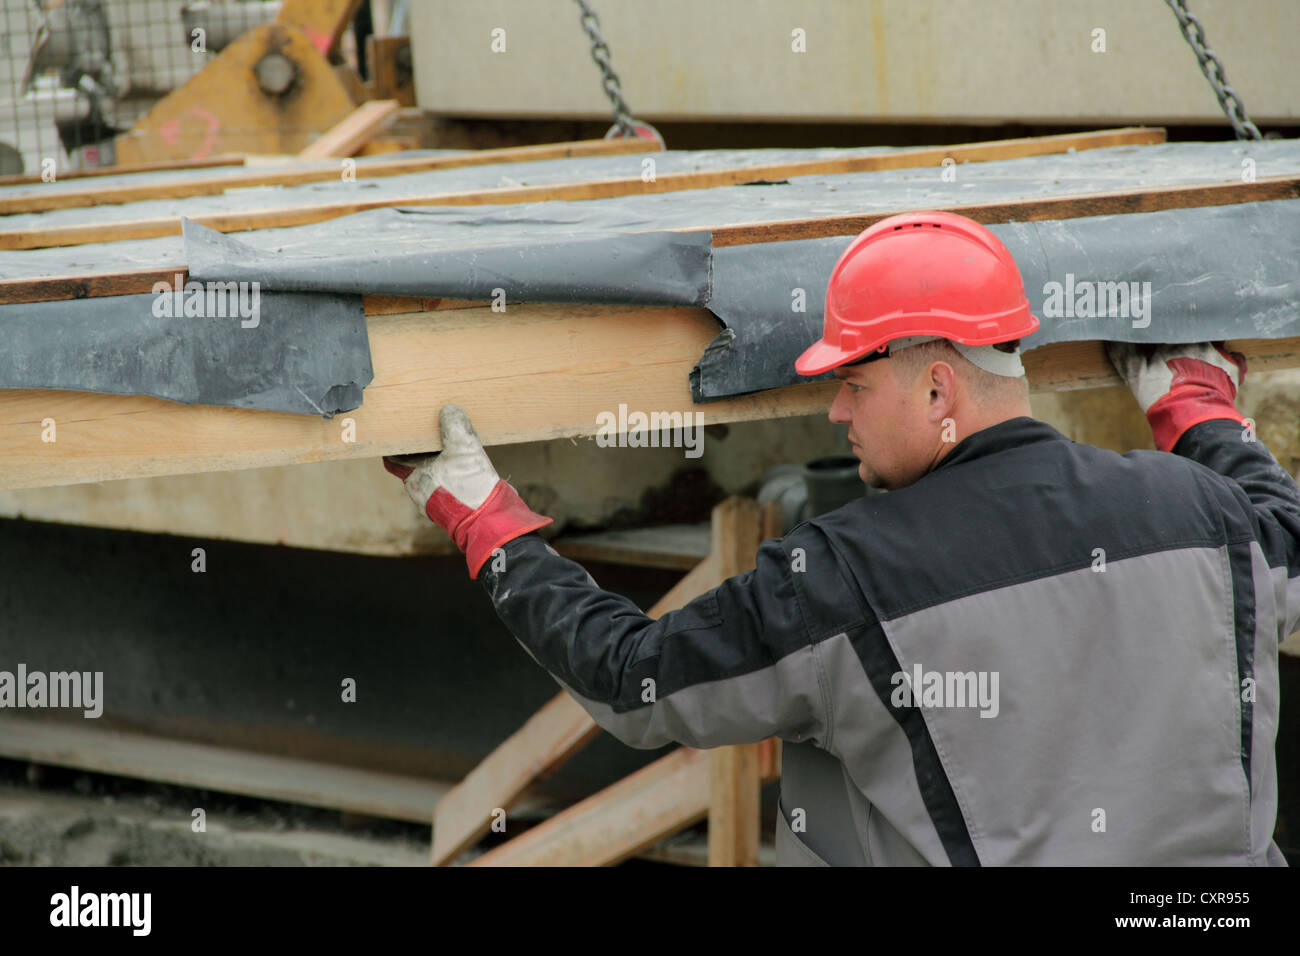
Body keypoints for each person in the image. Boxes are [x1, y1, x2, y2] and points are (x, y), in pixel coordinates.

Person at [384, 211, 1299, 865]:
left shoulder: (845, 574)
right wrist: (1196, 409)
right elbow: (1284, 534)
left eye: (854, 385)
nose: (833, 409)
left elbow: (635, 683)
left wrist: (485, 517)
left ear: (939, 391)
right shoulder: (1208, 513)